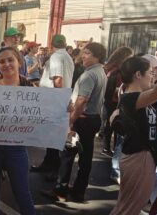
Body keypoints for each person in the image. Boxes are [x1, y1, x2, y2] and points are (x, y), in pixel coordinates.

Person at [110, 52, 157, 215]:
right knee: (129, 208)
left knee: (129, 205)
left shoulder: (143, 97)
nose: (153, 76)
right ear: (138, 75)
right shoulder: (129, 98)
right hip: (138, 157)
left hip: (143, 157)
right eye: (150, 72)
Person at [46, 42, 107, 203]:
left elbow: (82, 100)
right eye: (83, 53)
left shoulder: (89, 75)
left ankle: (60, 191)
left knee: (67, 154)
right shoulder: (100, 72)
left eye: (87, 53)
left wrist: (71, 122)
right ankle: (79, 190)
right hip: (92, 119)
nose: (83, 56)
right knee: (85, 156)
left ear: (97, 56)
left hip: (83, 120)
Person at [0, 47, 36, 215]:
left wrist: (65, 107)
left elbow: (45, 112)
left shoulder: (30, 87)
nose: (6, 64)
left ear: (19, 62)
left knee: (22, 192)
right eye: (1, 61)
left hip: (16, 147)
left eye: (10, 60)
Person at [31, 35, 74, 179]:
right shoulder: (67, 56)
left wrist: (57, 100)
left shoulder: (56, 57)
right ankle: (48, 164)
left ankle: (54, 170)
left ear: (51, 44)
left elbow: (58, 80)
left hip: (55, 102)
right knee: (52, 137)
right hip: (60, 100)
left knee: (54, 137)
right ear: (65, 43)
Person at [101, 47, 133, 157]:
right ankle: (108, 147)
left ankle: (110, 147)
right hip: (114, 101)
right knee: (112, 124)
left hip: (112, 101)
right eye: (129, 57)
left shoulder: (112, 69)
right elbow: (112, 87)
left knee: (112, 124)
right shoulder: (116, 71)